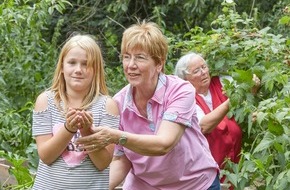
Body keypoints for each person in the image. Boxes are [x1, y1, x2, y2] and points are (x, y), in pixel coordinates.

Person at [76, 21, 220, 190]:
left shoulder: (180, 91)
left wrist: (115, 136)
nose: (131, 65)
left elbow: (164, 144)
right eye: (126, 57)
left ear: (159, 63)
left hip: (196, 184)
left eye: (140, 58)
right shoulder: (118, 103)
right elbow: (122, 160)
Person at [32, 34, 119, 189]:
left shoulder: (107, 106)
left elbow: (103, 163)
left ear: (96, 70)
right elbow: (46, 156)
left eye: (86, 64)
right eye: (72, 62)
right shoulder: (45, 101)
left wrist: (86, 130)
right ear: (62, 67)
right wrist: (68, 129)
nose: (78, 70)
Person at [174, 52, 260, 181]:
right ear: (185, 78)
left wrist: (253, 85)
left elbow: (245, 93)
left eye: (204, 67)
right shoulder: (186, 98)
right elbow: (203, 126)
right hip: (206, 171)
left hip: (235, 163)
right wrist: (231, 101)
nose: (203, 72)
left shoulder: (221, 82)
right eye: (196, 71)